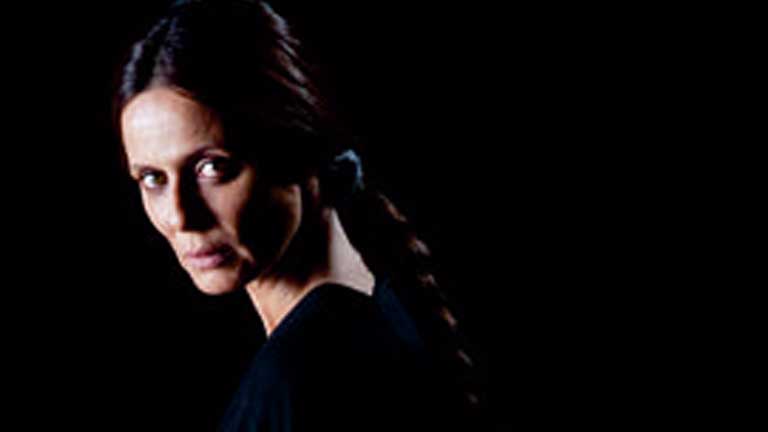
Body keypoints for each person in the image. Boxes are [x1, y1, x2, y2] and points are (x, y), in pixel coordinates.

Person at [113, 1, 483, 430]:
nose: (180, 216)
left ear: (299, 151)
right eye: (153, 178)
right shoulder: (386, 316)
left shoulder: (302, 377)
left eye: (212, 168)